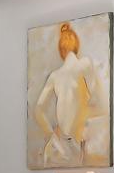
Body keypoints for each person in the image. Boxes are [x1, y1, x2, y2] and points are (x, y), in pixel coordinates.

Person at [33, 21, 107, 165]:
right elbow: (101, 103)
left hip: (60, 145)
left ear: (61, 50)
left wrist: (52, 136)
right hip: (72, 144)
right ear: (76, 46)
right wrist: (84, 121)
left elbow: (38, 110)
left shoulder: (55, 75)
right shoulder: (84, 64)